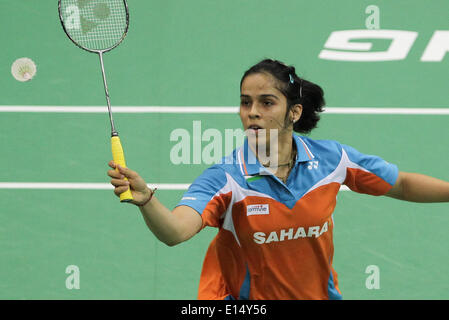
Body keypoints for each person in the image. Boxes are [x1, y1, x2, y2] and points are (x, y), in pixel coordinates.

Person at [107, 59, 449, 300]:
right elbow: (176, 231)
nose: (252, 111)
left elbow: (400, 183)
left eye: (266, 102)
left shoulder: (331, 160)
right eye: (245, 102)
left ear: (294, 112)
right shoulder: (227, 178)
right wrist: (147, 201)